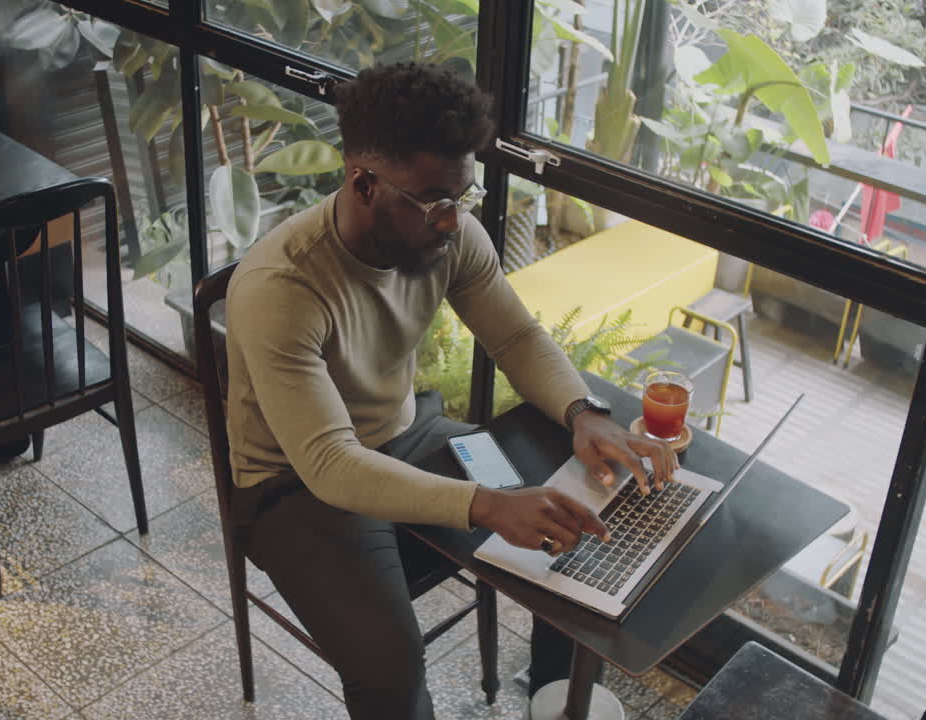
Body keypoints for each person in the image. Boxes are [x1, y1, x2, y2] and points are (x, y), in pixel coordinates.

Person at [225, 61, 679, 720]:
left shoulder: (449, 236)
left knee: (571, 499)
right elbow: (330, 464)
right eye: (435, 201)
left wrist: (585, 413)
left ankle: (554, 699)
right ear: (363, 183)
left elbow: (516, 337)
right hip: (294, 486)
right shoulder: (284, 289)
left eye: (461, 198)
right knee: (389, 663)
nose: (452, 221)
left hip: (409, 437)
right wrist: (488, 505)